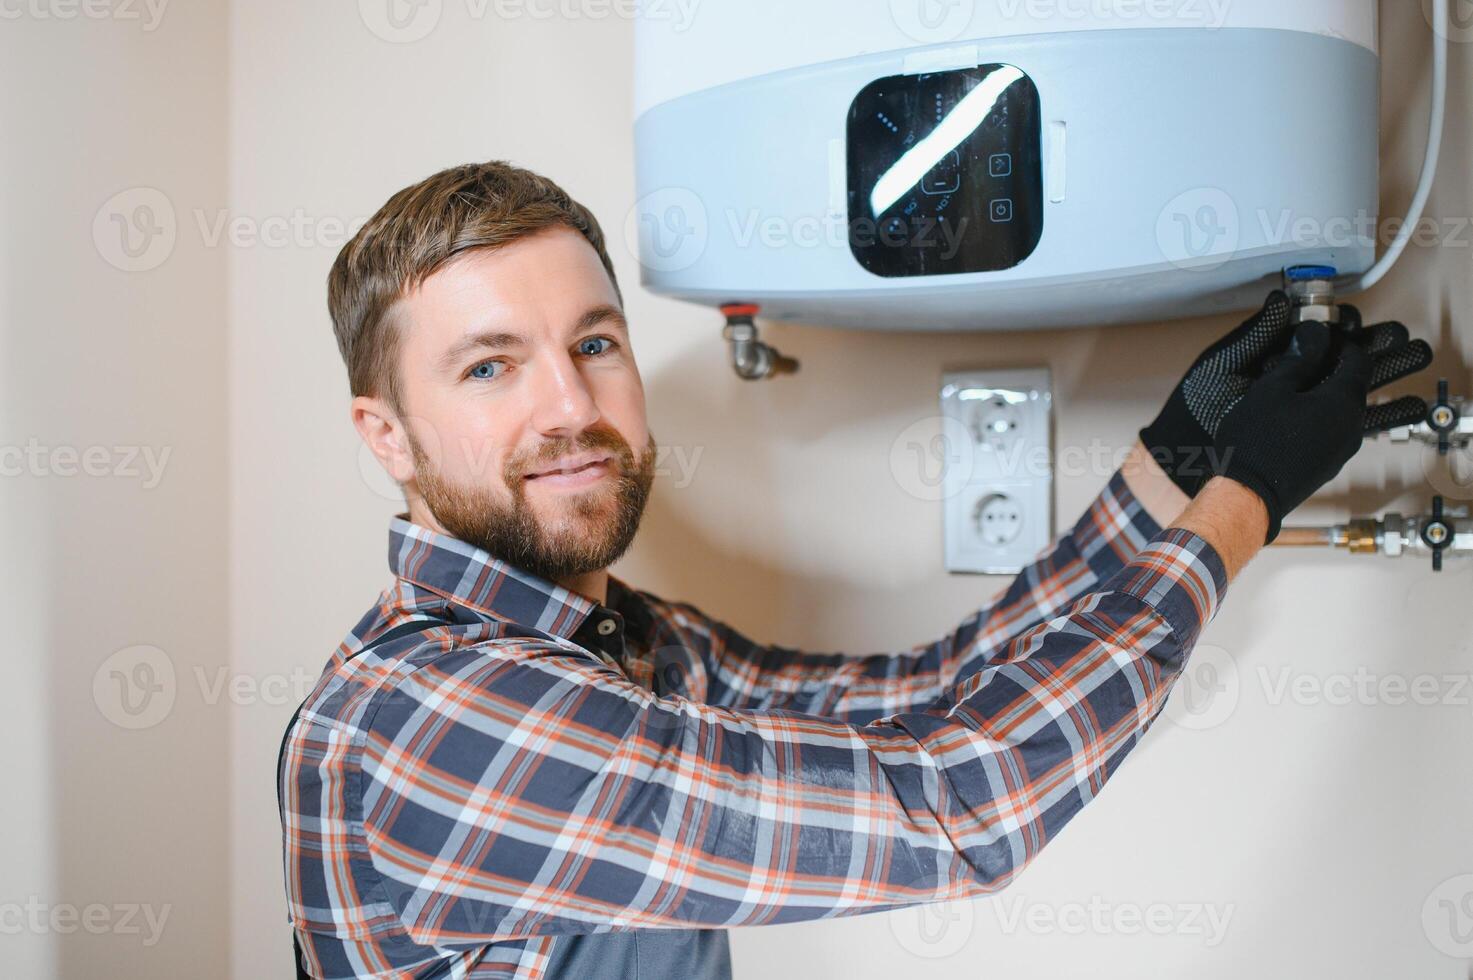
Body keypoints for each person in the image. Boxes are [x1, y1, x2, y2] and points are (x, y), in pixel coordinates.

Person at [278, 161, 1433, 979]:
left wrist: (1176, 456)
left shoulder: (622, 640)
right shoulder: (431, 714)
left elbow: (931, 694)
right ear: (386, 434)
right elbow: (958, 804)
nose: (573, 407)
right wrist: (1241, 507)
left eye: (593, 344)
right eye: (491, 367)